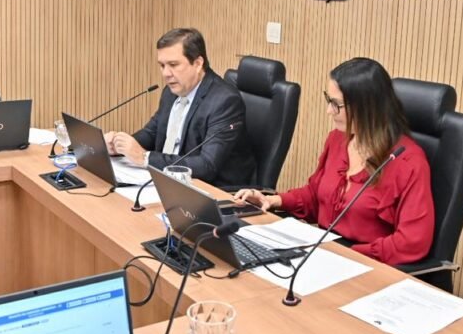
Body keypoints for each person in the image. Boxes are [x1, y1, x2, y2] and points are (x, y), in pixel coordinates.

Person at [234, 58, 434, 265]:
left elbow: (412, 242)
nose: (329, 111)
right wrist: (273, 200)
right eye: (328, 100)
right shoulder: (338, 139)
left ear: (367, 107)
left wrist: (348, 254)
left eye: (337, 104)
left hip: (368, 263)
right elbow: (316, 196)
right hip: (325, 253)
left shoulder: (408, 161)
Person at [104, 28, 256, 187]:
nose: (166, 73)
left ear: (197, 64)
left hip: (211, 189)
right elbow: (152, 132)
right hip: (169, 181)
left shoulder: (224, 101)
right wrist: (119, 145)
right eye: (162, 65)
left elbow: (207, 165)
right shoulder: (172, 91)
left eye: (173, 65)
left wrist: (144, 157)